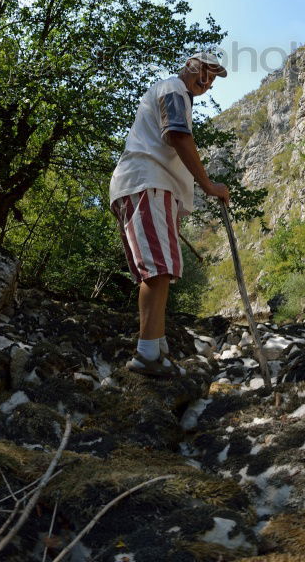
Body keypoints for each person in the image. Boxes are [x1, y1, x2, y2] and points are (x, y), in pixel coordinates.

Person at [110, 51, 230, 377]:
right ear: (190, 66)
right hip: (147, 182)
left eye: (212, 79)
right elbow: (177, 135)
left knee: (160, 270)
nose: (207, 82)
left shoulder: (175, 93)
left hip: (148, 185)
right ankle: (147, 354)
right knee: (157, 270)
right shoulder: (173, 88)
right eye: (204, 72)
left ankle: (157, 348)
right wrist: (208, 184)